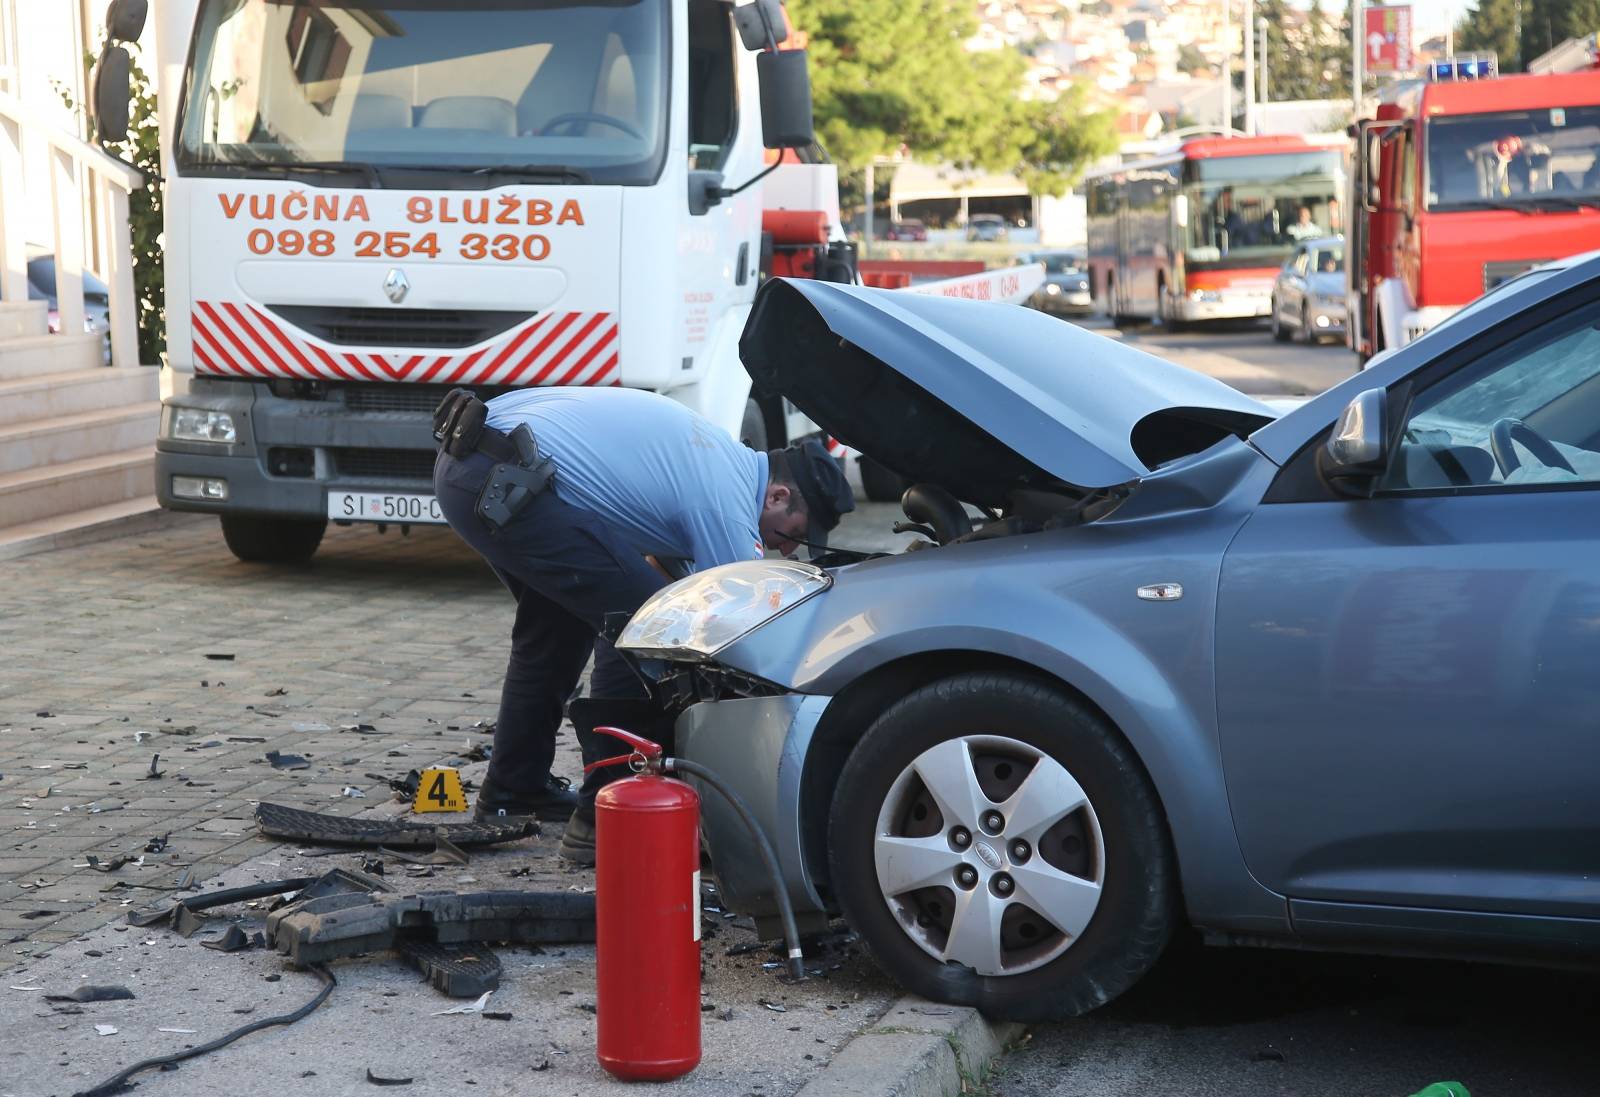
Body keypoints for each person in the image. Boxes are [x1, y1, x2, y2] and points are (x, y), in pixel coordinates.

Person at [431, 386, 854, 863]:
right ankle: (599, 818)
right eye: (792, 534)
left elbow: (669, 572)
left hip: (471, 466)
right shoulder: (725, 502)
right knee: (639, 630)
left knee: (555, 633)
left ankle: (512, 791)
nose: (787, 551)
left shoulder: (716, 460)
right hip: (504, 479)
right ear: (777, 495)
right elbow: (745, 629)